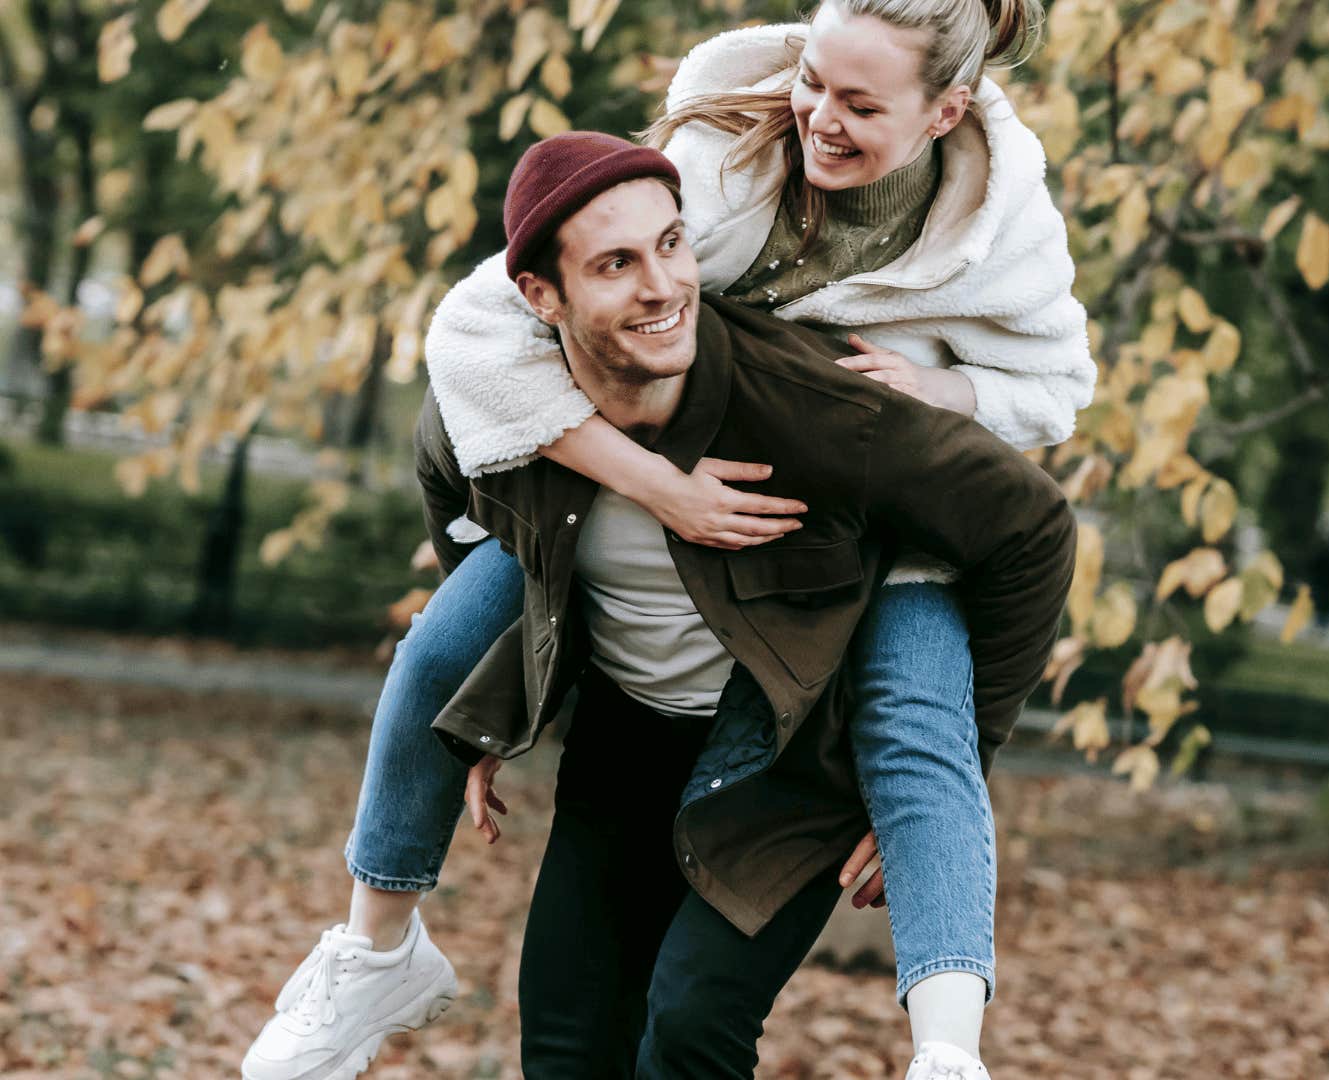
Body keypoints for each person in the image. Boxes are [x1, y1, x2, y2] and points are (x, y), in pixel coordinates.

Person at [244, 2, 1091, 1077]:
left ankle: (947, 1052)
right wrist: (628, 521)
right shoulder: (717, 169)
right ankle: (371, 952)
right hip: (669, 451)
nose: (820, 117)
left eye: (861, 103)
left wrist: (945, 387)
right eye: (812, 81)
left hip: (873, 502)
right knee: (442, 652)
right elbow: (469, 364)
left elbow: (1054, 404)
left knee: (920, 731)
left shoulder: (996, 226)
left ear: (946, 112)